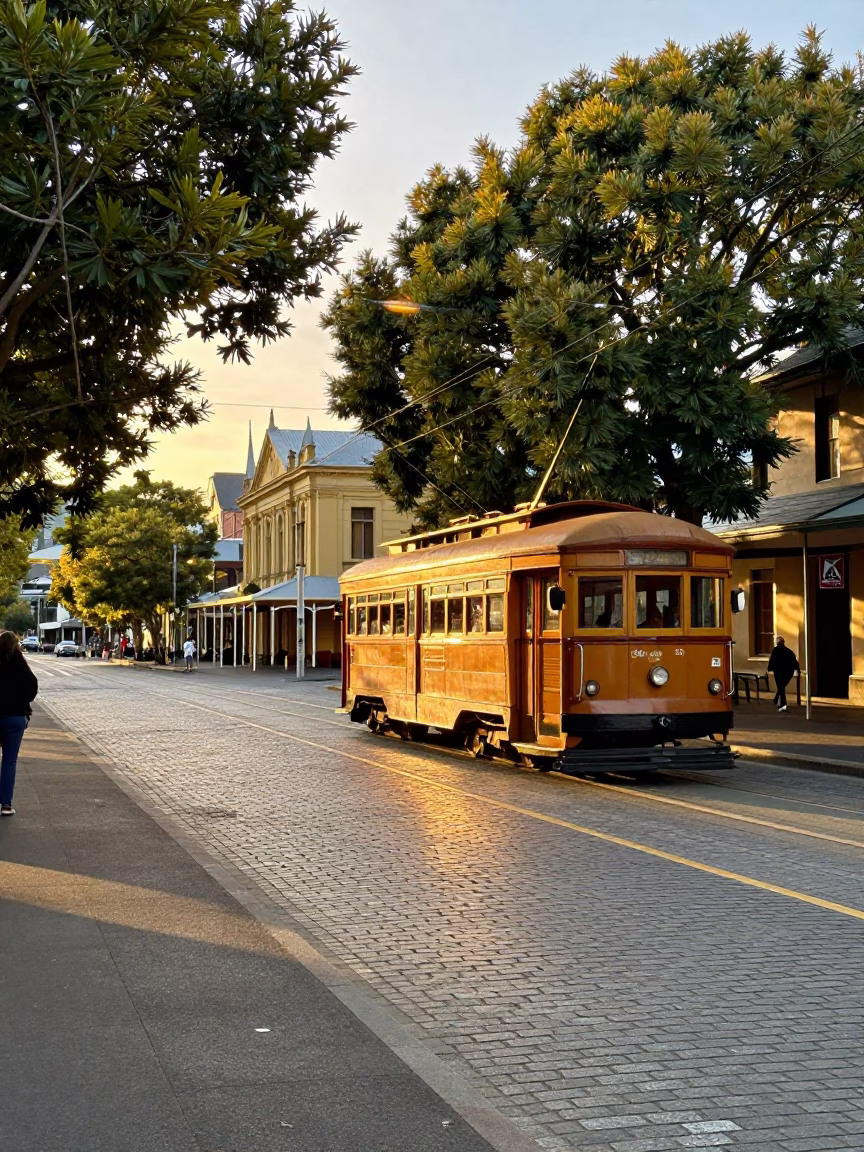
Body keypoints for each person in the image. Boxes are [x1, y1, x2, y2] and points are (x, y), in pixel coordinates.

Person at [0, 631, 39, 816]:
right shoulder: (20, 665)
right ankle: (6, 805)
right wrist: (22, 702)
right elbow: (32, 685)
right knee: (9, 761)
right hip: (15, 717)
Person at [768, 636, 799, 712]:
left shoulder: (775, 650)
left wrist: (770, 668)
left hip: (778, 672)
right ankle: (777, 700)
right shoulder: (789, 652)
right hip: (788, 672)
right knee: (781, 687)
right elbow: (795, 663)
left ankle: (783, 705)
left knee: (781, 687)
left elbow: (772, 660)